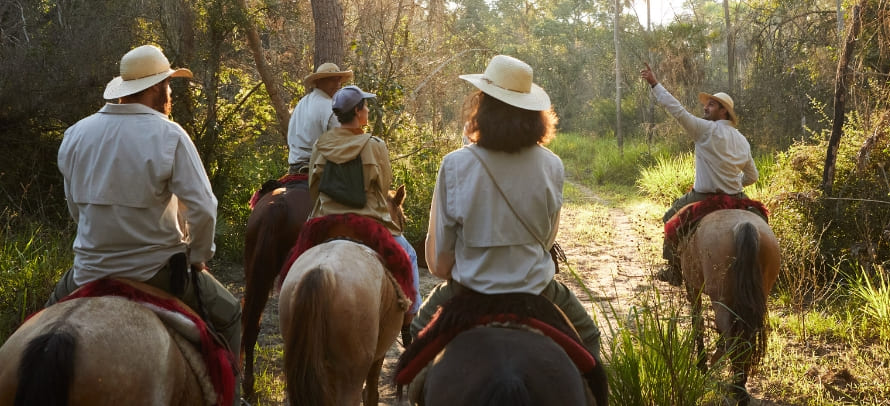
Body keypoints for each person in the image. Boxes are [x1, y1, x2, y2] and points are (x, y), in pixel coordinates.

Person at [46, 44, 242, 365]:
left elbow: (75, 209)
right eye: (168, 85)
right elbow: (204, 207)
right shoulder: (170, 135)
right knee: (231, 315)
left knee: (41, 327)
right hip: (156, 272)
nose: (170, 94)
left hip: (89, 271)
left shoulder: (75, 134)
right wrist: (197, 257)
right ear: (155, 88)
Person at [412, 54, 603, 366]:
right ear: (533, 113)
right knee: (589, 338)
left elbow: (441, 258)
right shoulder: (551, 164)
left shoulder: (456, 164)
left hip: (470, 290)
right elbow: (546, 239)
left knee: (418, 337)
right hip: (536, 291)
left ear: (482, 105)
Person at [308, 84, 422, 341]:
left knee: (296, 258)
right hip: (368, 224)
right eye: (366, 106)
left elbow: (313, 188)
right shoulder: (375, 145)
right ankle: (408, 319)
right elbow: (383, 188)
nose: (368, 110)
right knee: (411, 255)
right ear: (358, 112)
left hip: (326, 222)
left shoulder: (320, 144)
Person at [639, 63, 758, 285]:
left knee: (669, 218)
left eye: (711, 105)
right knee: (761, 221)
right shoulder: (742, 140)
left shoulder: (704, 130)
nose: (705, 108)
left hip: (704, 197)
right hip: (737, 197)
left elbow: (676, 110)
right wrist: (732, 183)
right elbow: (752, 176)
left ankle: (673, 270)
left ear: (724, 111)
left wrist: (655, 84)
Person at [286, 61, 353, 174]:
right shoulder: (330, 107)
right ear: (319, 82)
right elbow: (342, 144)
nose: (337, 84)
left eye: (339, 80)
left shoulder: (302, 103)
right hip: (318, 169)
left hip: (294, 167)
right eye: (332, 80)